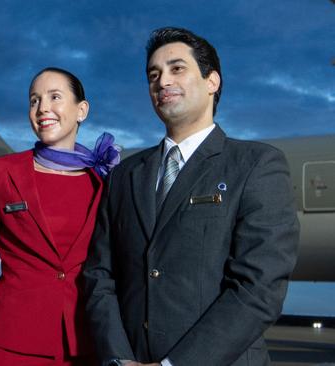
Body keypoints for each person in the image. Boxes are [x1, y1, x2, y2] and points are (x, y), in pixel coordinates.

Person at [84, 27, 299, 366]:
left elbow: (259, 287)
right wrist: (118, 358)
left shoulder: (257, 165)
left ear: (212, 81)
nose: (162, 81)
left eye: (177, 68)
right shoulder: (124, 175)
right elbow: (99, 275)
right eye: (153, 74)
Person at [0, 67, 120, 365]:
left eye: (54, 97)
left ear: (81, 110)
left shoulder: (105, 182)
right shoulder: (0, 173)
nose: (42, 108)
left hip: (85, 343)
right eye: (34, 100)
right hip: (9, 342)